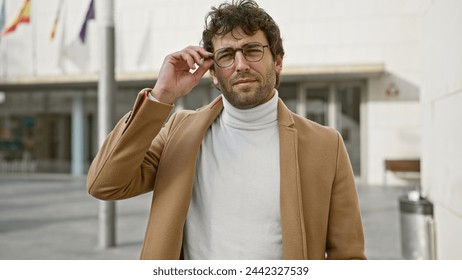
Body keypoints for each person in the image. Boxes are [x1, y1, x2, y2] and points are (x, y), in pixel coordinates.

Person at [87, 0, 366, 260]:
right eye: (227, 55)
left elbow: (348, 257)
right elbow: (104, 183)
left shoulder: (326, 145)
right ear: (213, 73)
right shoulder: (178, 132)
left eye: (252, 50)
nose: (241, 65)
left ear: (278, 61)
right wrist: (161, 96)